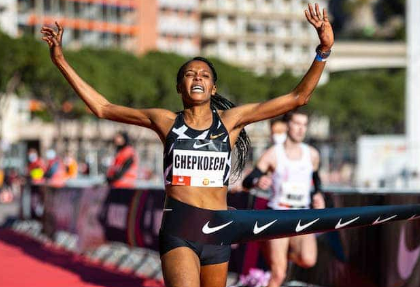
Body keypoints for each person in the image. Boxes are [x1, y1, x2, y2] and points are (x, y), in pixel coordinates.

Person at [40, 3, 333, 286]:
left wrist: (323, 51)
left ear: (213, 88)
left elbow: (298, 98)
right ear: (180, 87)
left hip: (219, 229)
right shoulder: (166, 121)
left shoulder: (231, 122)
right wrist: (61, 61)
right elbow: (103, 108)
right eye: (190, 74)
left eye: (204, 75)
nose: (197, 78)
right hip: (179, 228)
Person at [242, 110, 325, 287]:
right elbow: (248, 181)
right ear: (287, 125)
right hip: (278, 215)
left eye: (304, 125)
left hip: (302, 213)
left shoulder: (312, 154)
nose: (301, 129)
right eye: (297, 124)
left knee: (308, 259)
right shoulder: (273, 154)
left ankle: (276, 249)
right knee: (278, 274)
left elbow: (316, 181)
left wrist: (317, 195)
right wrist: (259, 181)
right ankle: (275, 249)